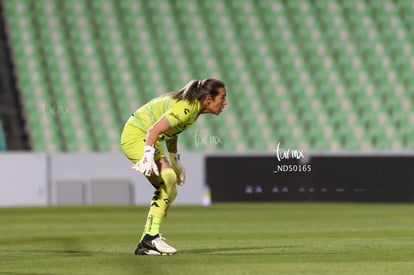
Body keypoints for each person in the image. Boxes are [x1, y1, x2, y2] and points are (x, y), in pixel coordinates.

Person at [120, 78, 227, 255]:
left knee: (171, 189)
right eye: (222, 97)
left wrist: (176, 163)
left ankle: (147, 242)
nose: (225, 102)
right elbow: (153, 130)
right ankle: (150, 238)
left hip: (148, 139)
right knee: (167, 179)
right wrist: (147, 155)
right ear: (208, 99)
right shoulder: (186, 109)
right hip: (136, 136)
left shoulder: (192, 110)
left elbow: (171, 133)